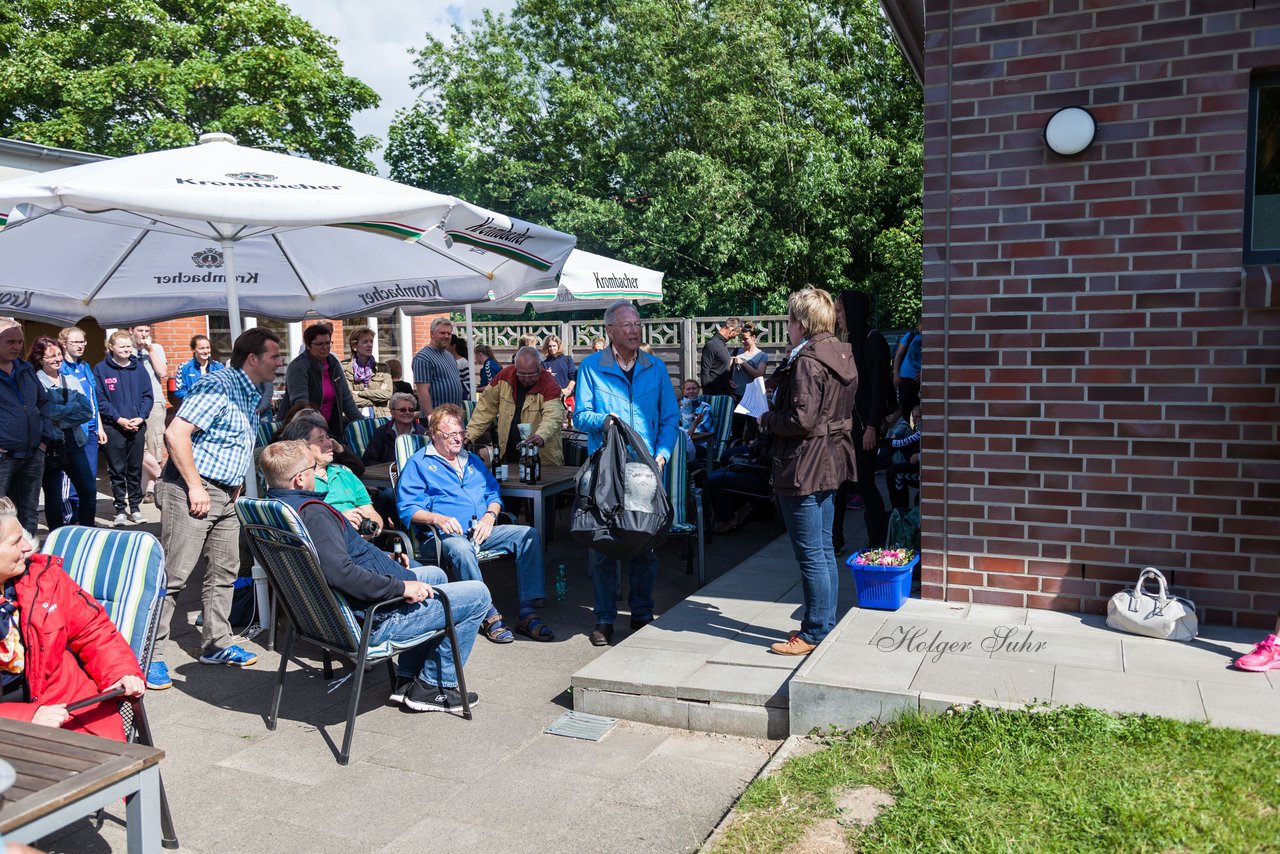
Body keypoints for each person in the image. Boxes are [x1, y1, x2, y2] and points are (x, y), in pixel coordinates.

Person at [260, 441, 489, 712]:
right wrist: (401, 586)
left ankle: (407, 680)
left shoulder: (275, 511)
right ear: (299, 480)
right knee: (478, 595)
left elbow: (337, 562)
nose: (319, 472)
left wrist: (385, 561)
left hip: (328, 618)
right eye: (314, 467)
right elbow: (340, 573)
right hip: (372, 620)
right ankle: (434, 686)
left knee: (436, 575)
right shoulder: (313, 514)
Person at [150, 327, 283, 690]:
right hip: (193, 489)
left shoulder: (250, 391)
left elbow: (231, 442)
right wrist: (195, 486)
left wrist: (236, 482)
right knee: (174, 576)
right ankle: (149, 653)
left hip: (226, 492)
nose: (279, 362)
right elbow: (175, 434)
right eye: (274, 356)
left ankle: (217, 643)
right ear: (253, 359)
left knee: (224, 571)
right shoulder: (218, 385)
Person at [397, 404, 555, 644]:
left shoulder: (471, 460)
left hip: (480, 529)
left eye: (461, 433)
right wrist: (437, 518)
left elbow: (493, 494)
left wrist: (490, 516)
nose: (458, 439)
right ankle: (487, 613)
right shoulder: (418, 464)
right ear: (433, 433)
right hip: (441, 537)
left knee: (528, 535)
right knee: (461, 548)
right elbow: (408, 509)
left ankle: (527, 612)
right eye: (451, 434)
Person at [574, 300, 679, 647]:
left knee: (644, 542)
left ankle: (641, 612)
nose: (635, 330)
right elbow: (580, 416)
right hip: (607, 469)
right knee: (604, 544)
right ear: (610, 331)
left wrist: (661, 455)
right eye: (627, 325)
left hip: (647, 469)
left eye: (637, 324)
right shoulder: (591, 367)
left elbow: (670, 418)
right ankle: (604, 619)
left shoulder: (656, 368)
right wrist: (604, 422)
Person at [760, 287, 856, 656]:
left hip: (803, 464)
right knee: (825, 549)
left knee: (812, 553)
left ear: (800, 323)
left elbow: (801, 419)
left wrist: (766, 417)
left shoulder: (807, 360)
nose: (787, 327)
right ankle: (823, 623)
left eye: (789, 320)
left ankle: (814, 630)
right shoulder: (841, 352)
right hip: (832, 459)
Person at [0, 497, 145, 739]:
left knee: (112, 766)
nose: (28, 546)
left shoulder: (42, 579)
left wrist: (120, 671)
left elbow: (92, 629)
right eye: (16, 541)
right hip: (14, 728)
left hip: (67, 706)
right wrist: (25, 718)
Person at [833, 290, 893, 552]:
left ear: (853, 311)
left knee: (865, 484)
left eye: (840, 310)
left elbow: (879, 388)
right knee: (840, 484)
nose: (837, 316)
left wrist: (871, 427)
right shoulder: (846, 341)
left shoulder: (872, 340)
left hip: (863, 425)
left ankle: (878, 540)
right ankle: (835, 539)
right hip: (845, 423)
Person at [30, 338, 97, 530]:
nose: (57, 359)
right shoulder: (35, 381)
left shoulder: (72, 380)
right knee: (53, 495)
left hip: (74, 441)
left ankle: (86, 531)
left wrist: (58, 415)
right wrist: (69, 407)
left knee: (88, 490)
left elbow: (86, 411)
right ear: (40, 358)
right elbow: (44, 412)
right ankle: (56, 535)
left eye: (59, 354)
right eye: (51, 356)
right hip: (49, 444)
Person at [465, 347, 565, 467]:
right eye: (521, 374)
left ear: (540, 368)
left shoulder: (549, 384)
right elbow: (485, 409)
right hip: (508, 454)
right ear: (515, 367)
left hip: (542, 459)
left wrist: (541, 436)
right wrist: (470, 435)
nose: (526, 379)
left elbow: (553, 416)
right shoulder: (504, 376)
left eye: (532, 374)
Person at [0, 320, 54, 534]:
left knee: (29, 512)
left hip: (33, 453)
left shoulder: (25, 368)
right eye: (10, 342)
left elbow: (43, 402)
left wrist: (43, 441)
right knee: (3, 513)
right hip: (4, 456)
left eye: (20, 342)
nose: (17, 347)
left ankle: (30, 559)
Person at [280, 417, 380, 534]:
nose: (329, 443)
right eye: (320, 440)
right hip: (324, 545)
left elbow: (372, 513)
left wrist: (372, 530)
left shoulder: (344, 473)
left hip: (360, 544)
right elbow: (294, 528)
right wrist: (339, 520)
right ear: (302, 447)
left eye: (327, 437)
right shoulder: (298, 482)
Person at [94, 330, 152, 527]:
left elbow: (147, 395)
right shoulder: (101, 369)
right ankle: (120, 509)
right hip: (114, 427)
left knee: (135, 469)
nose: (127, 349)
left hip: (137, 426)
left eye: (128, 346)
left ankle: (135, 507)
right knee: (117, 471)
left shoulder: (139, 368)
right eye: (122, 346)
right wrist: (118, 419)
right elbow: (100, 400)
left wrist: (141, 417)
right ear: (111, 347)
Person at [58, 326, 106, 526]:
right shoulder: (60, 368)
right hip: (73, 432)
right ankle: (71, 519)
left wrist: (100, 427)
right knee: (72, 482)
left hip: (92, 430)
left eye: (82, 342)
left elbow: (93, 397)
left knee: (89, 480)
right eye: (75, 342)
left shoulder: (85, 366)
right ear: (63, 344)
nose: (80, 346)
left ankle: (87, 521)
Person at [285, 323, 363, 439]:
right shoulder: (298, 367)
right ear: (308, 345)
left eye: (328, 343)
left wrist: (362, 422)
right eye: (320, 344)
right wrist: (319, 430)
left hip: (330, 428)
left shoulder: (333, 363)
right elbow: (301, 404)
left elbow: (346, 399)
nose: (325, 347)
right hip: (303, 432)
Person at [128, 325, 168, 505]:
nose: (143, 335)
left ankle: (151, 489)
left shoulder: (156, 348)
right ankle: (163, 479)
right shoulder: (124, 347)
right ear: (131, 330)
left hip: (154, 401)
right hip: (131, 403)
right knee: (136, 445)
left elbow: (162, 372)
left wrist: (150, 349)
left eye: (146, 331)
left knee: (154, 444)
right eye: (140, 331)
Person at [411, 317, 465, 418]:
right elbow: (423, 392)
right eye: (442, 333)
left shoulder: (449, 355)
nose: (446, 336)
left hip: (453, 417)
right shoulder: (423, 358)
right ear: (432, 334)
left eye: (449, 334)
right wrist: (430, 418)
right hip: (436, 419)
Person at [362, 392, 428, 466]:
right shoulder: (382, 432)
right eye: (402, 410)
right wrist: (391, 468)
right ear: (392, 412)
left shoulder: (422, 433)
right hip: (387, 475)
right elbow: (368, 460)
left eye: (411, 410)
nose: (407, 412)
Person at [341, 327, 393, 418]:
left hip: (381, 416)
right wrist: (377, 399)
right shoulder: (344, 369)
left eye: (371, 341)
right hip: (355, 417)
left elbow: (387, 394)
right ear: (354, 347)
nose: (369, 345)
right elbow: (348, 399)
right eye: (365, 342)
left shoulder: (382, 368)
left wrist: (359, 393)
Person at [172, 334, 225, 402]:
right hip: (193, 407)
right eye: (201, 348)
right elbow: (179, 391)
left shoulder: (218, 367)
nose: (206, 351)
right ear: (193, 349)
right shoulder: (185, 367)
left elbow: (225, 388)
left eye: (208, 348)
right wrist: (195, 398)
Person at [700, 316, 742, 397]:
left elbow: (719, 369)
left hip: (724, 393)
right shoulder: (712, 344)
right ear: (730, 330)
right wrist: (707, 396)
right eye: (735, 334)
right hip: (714, 395)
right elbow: (705, 371)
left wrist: (727, 382)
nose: (734, 337)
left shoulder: (722, 344)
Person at [894, 325, 922, 415]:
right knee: (904, 410)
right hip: (905, 378)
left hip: (920, 381)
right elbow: (898, 355)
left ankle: (917, 429)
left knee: (919, 411)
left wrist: (924, 372)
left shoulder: (932, 338)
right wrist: (896, 374)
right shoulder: (911, 336)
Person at [541, 334, 576, 401]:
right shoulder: (544, 364)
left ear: (558, 346)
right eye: (549, 346)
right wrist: (560, 392)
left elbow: (573, 378)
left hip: (568, 397)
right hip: (552, 398)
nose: (552, 348)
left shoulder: (567, 360)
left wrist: (567, 391)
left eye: (554, 346)